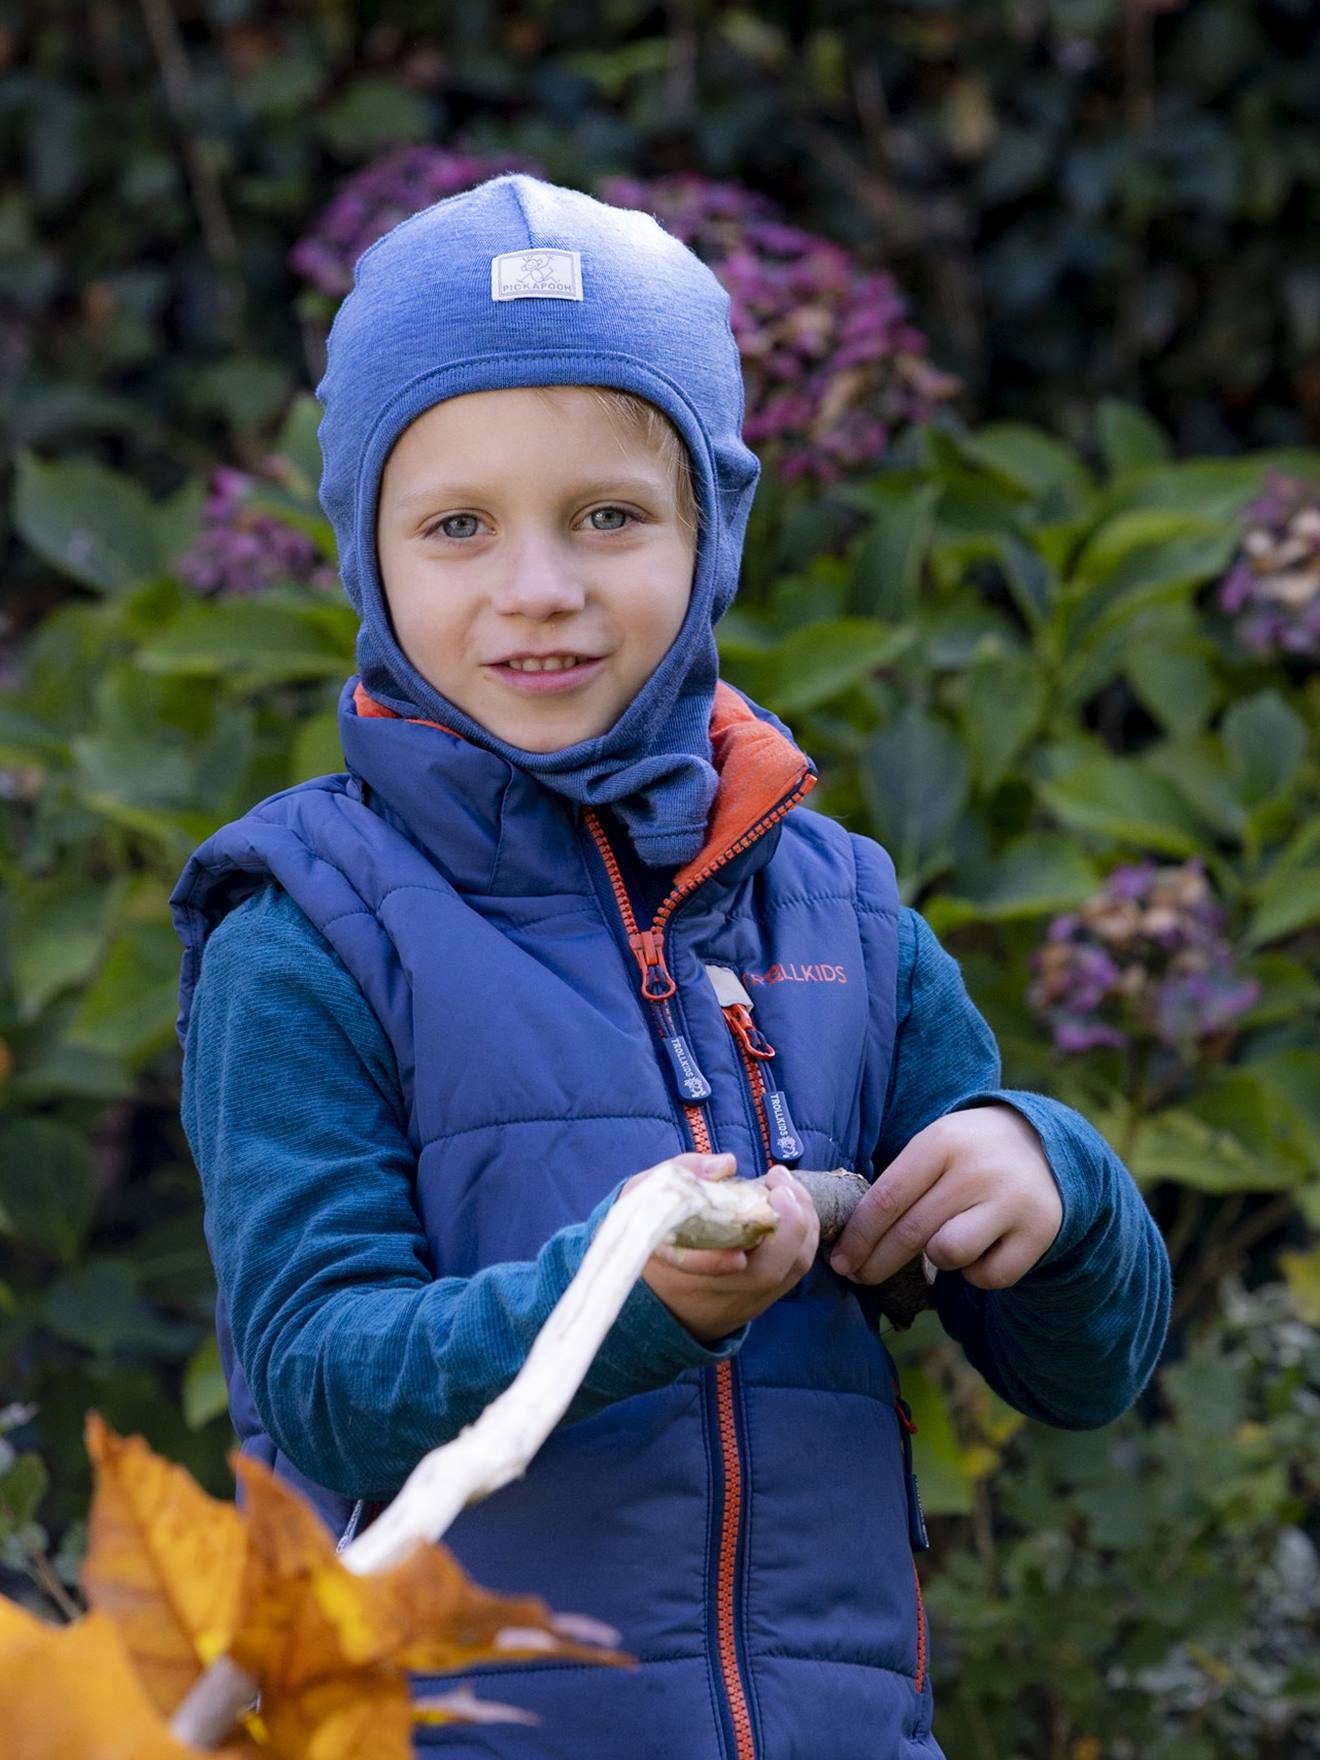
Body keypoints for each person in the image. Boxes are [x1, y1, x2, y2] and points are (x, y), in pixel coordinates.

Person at [171, 174, 1171, 1760]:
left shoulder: (839, 911)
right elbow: (317, 1379)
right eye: (456, 526)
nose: (540, 587)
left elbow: (1082, 1375)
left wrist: (1053, 1187)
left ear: (713, 528)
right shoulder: (308, 928)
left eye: (610, 516)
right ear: (363, 553)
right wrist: (618, 1304)